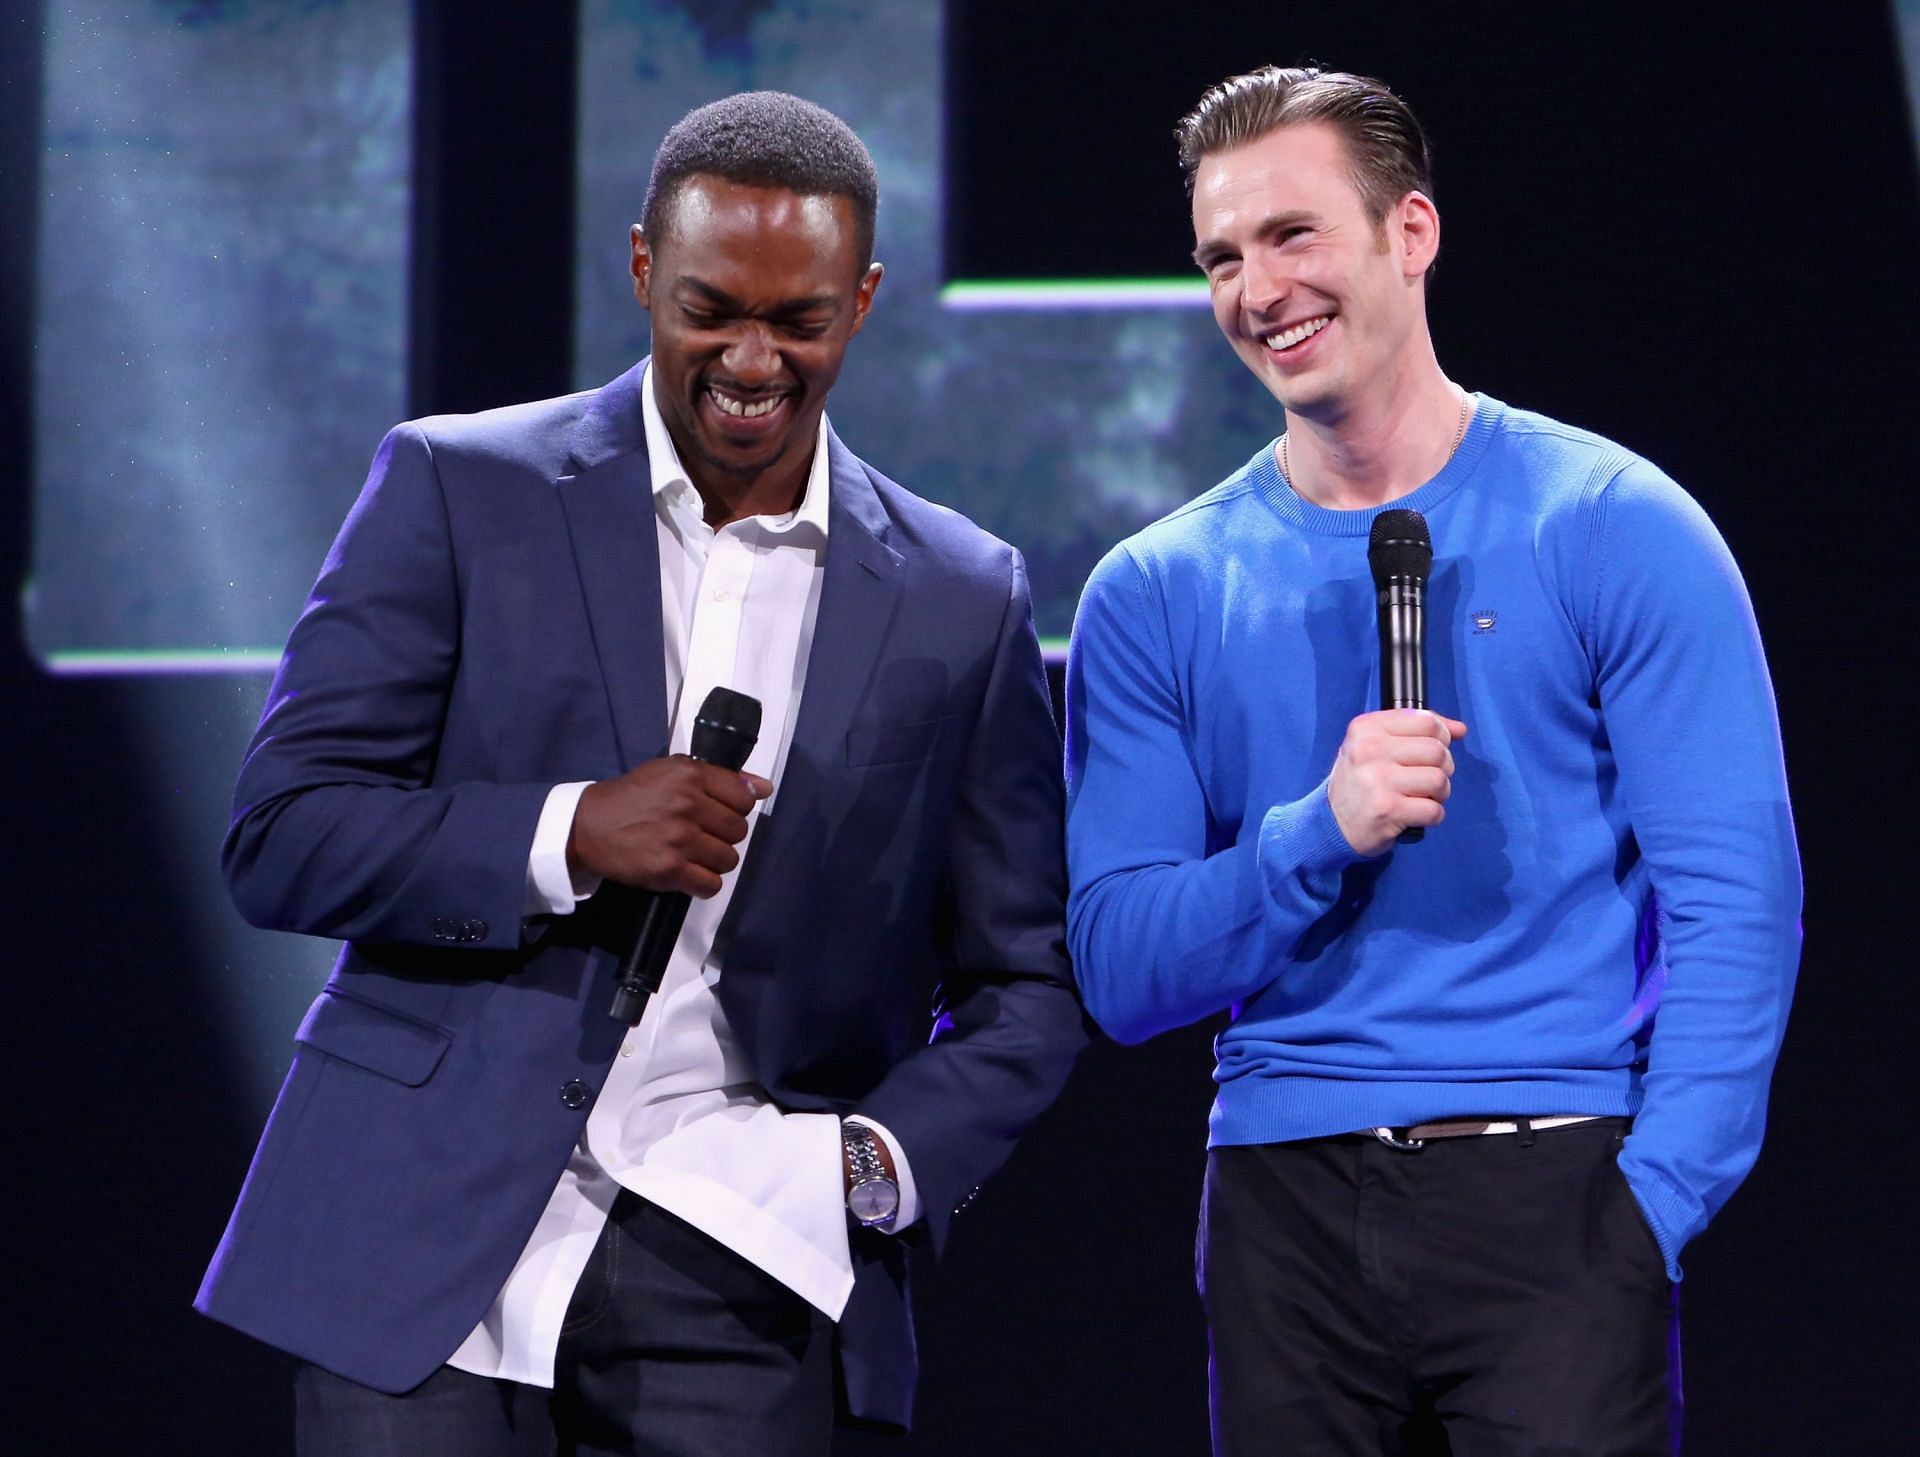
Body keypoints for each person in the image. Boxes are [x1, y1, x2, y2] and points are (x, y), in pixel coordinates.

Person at [197, 90, 1085, 1457]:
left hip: (742, 1257)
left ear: (863, 301)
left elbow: (1026, 975)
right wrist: (568, 832)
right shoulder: (458, 487)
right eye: (708, 308)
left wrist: (877, 1161)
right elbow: (282, 833)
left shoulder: (963, 595)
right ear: (639, 271)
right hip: (420, 1241)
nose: (750, 358)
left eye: (798, 322)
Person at [1065, 66, 1800, 1454]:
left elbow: (1737, 902)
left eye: (1293, 235)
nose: (1257, 288)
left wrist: (1652, 1209)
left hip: (1560, 1198)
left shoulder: (1614, 523)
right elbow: (1119, 964)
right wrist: (1311, 834)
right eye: (1222, 256)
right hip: (1282, 1214)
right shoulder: (1154, 590)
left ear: (1412, 233)